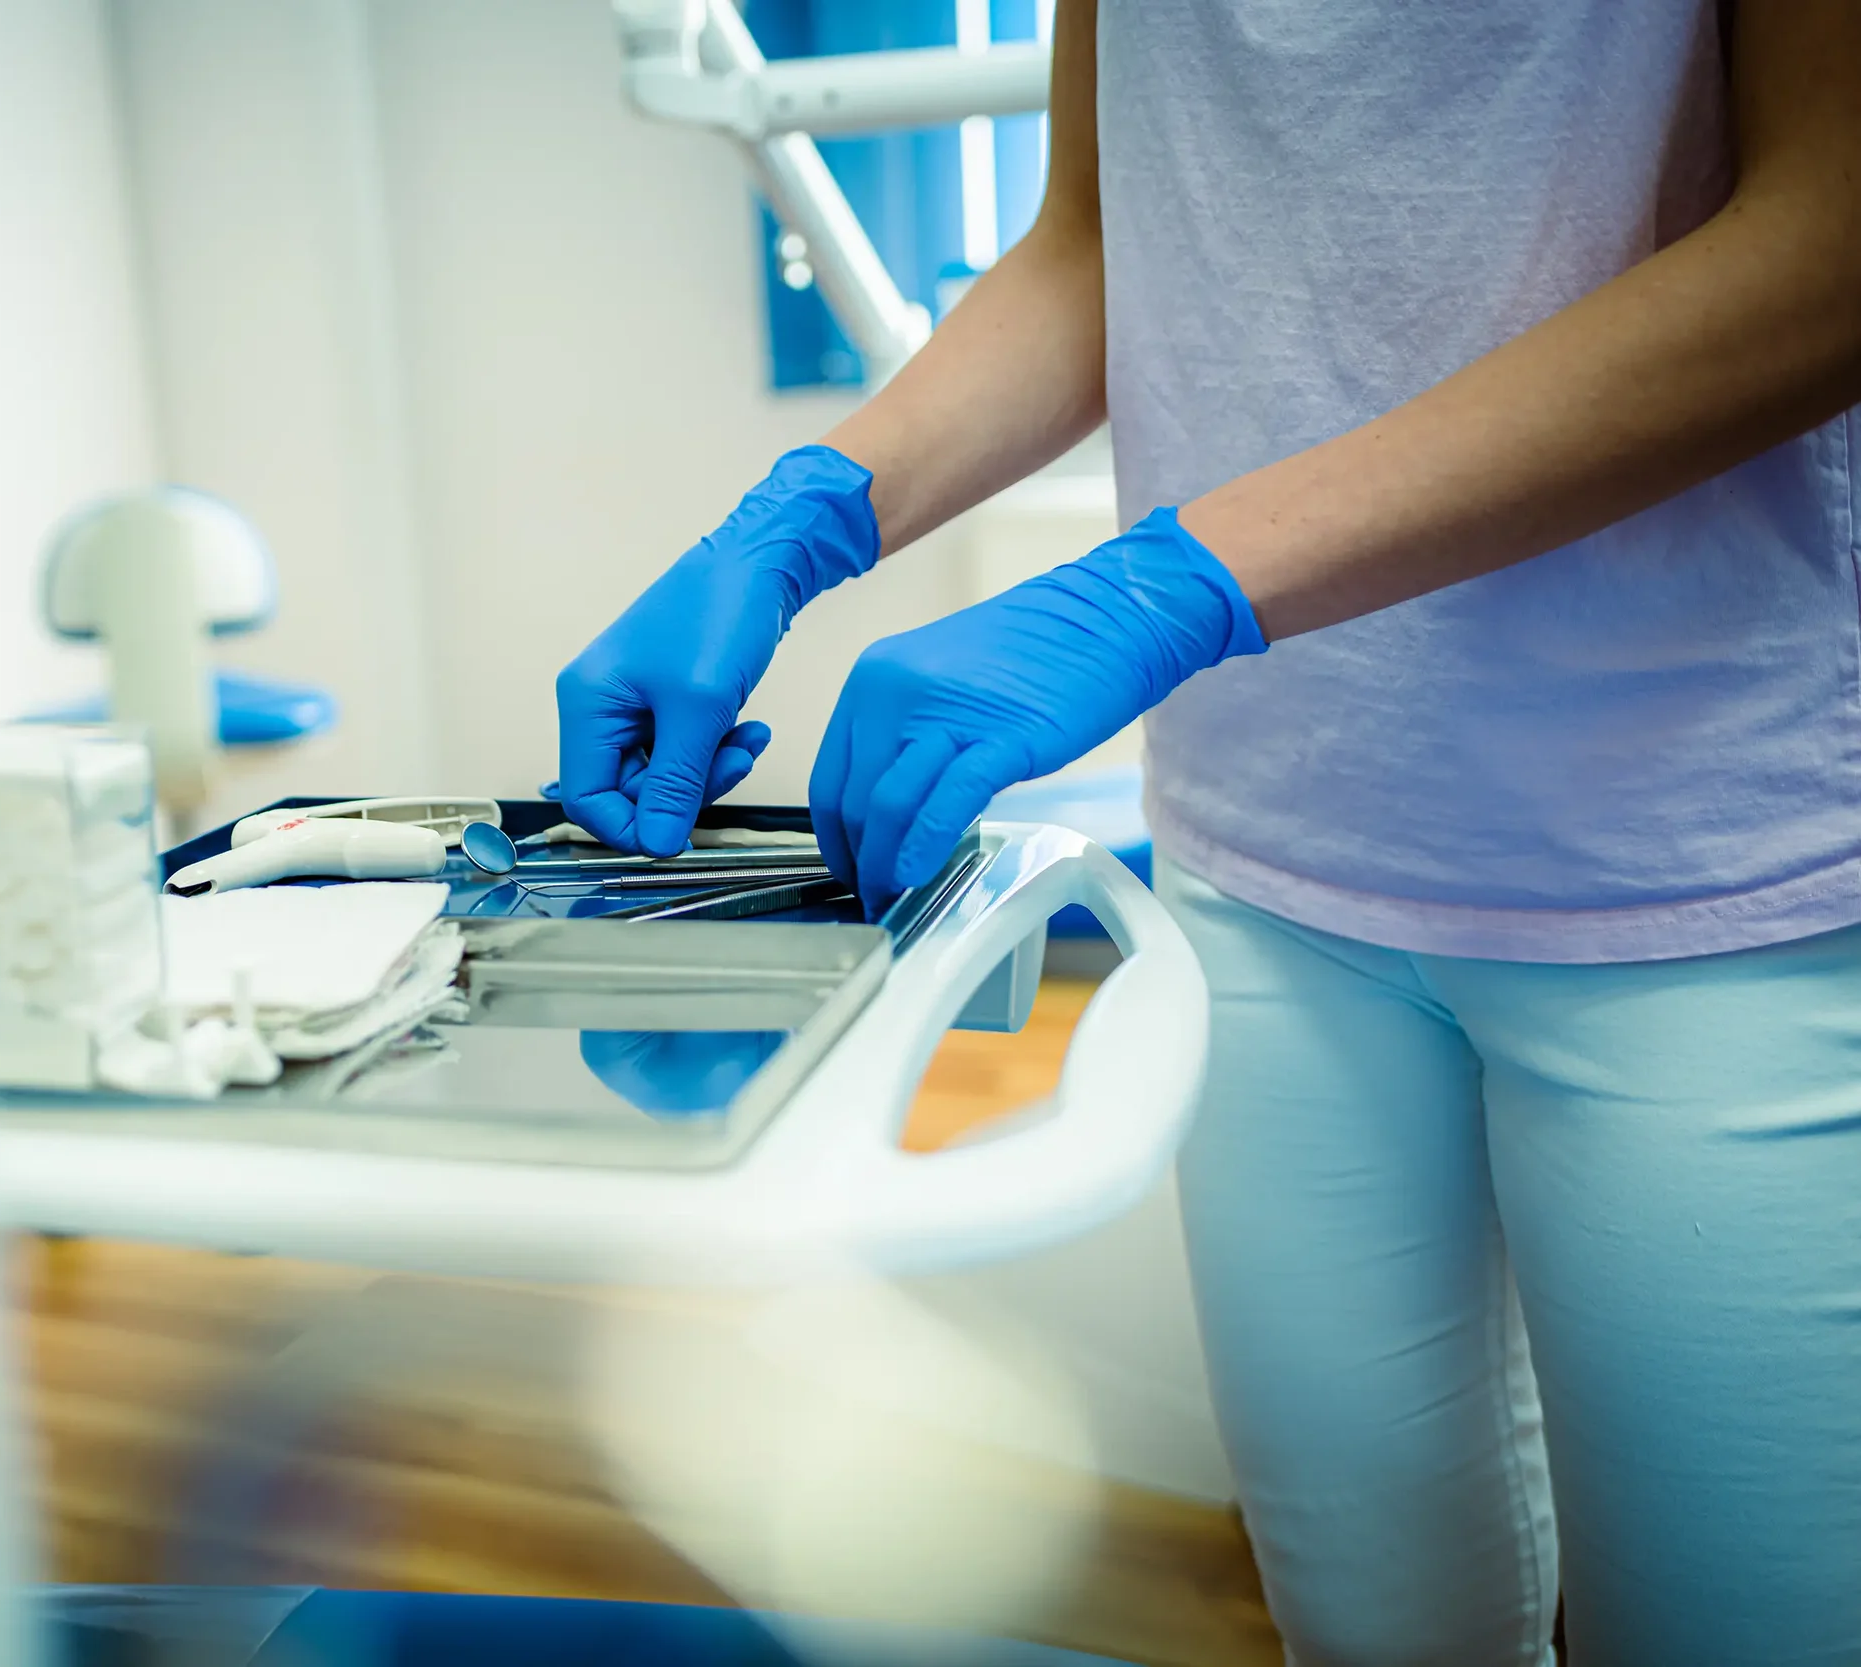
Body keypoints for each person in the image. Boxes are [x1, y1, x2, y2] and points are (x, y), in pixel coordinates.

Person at [553, 3, 1861, 1661]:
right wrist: (808, 513)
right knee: (1368, 1628)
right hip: (1267, 858)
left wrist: (1166, 584)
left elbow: (1831, 246)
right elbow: (1101, 245)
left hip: (1697, 873)